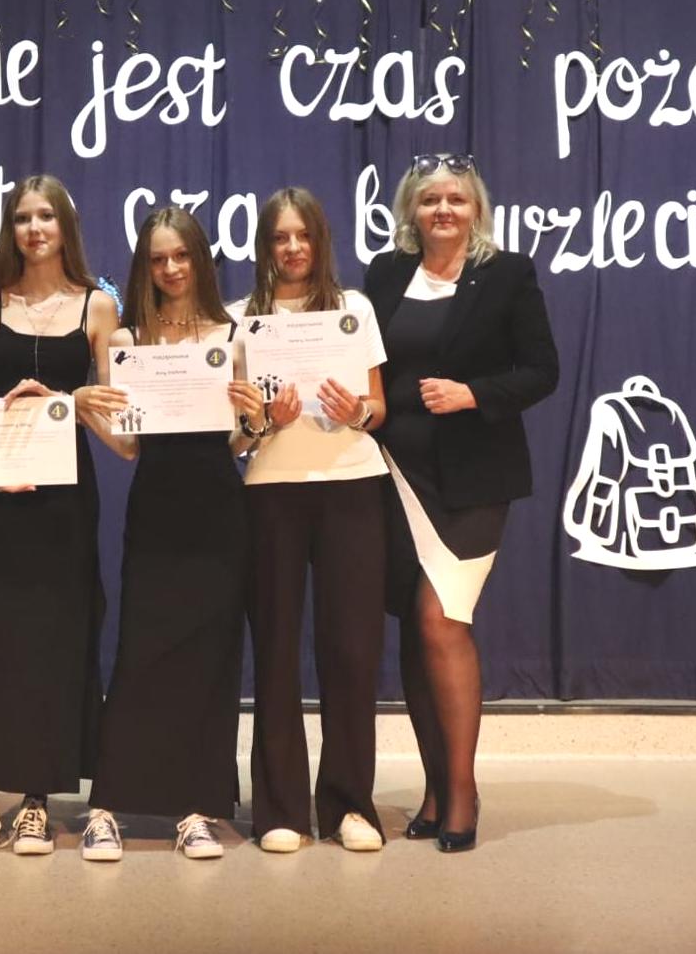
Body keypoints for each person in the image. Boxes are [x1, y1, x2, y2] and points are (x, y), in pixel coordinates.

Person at [363, 153, 559, 852]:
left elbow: (541, 371)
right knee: (414, 633)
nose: (442, 209)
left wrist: (473, 394)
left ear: (476, 208)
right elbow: (368, 368)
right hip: (393, 471)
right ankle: (433, 787)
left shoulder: (507, 274)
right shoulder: (385, 274)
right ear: (410, 211)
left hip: (474, 480)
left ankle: (463, 791)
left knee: (440, 619)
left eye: (455, 198)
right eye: (429, 200)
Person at [78, 207, 264, 862]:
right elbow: (129, 446)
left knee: (210, 660)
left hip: (218, 510)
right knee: (140, 652)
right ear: (145, 267)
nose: (171, 268)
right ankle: (106, 807)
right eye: (158, 258)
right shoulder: (127, 340)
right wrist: (84, 408)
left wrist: (256, 421)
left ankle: (195, 809)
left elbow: (238, 441)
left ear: (198, 258)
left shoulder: (231, 335)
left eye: (180, 255)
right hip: (156, 505)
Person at [0, 175, 122, 856]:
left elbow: (115, 414)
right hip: (3, 493)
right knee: (2, 641)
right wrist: (0, 427)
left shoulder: (98, 306)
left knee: (57, 640)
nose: (34, 228)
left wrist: (70, 402)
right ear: (10, 228)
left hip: (66, 500)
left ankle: (36, 802)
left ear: (65, 226)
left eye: (46, 216)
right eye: (23, 217)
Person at [230, 187, 389, 854]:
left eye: (303, 235)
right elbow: (234, 437)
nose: (292, 247)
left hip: (352, 486)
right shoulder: (239, 320)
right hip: (271, 492)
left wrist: (356, 410)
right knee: (274, 650)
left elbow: (378, 406)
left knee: (351, 651)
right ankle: (281, 808)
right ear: (264, 246)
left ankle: (350, 805)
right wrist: (264, 421)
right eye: (279, 237)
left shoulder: (354, 309)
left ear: (320, 240)